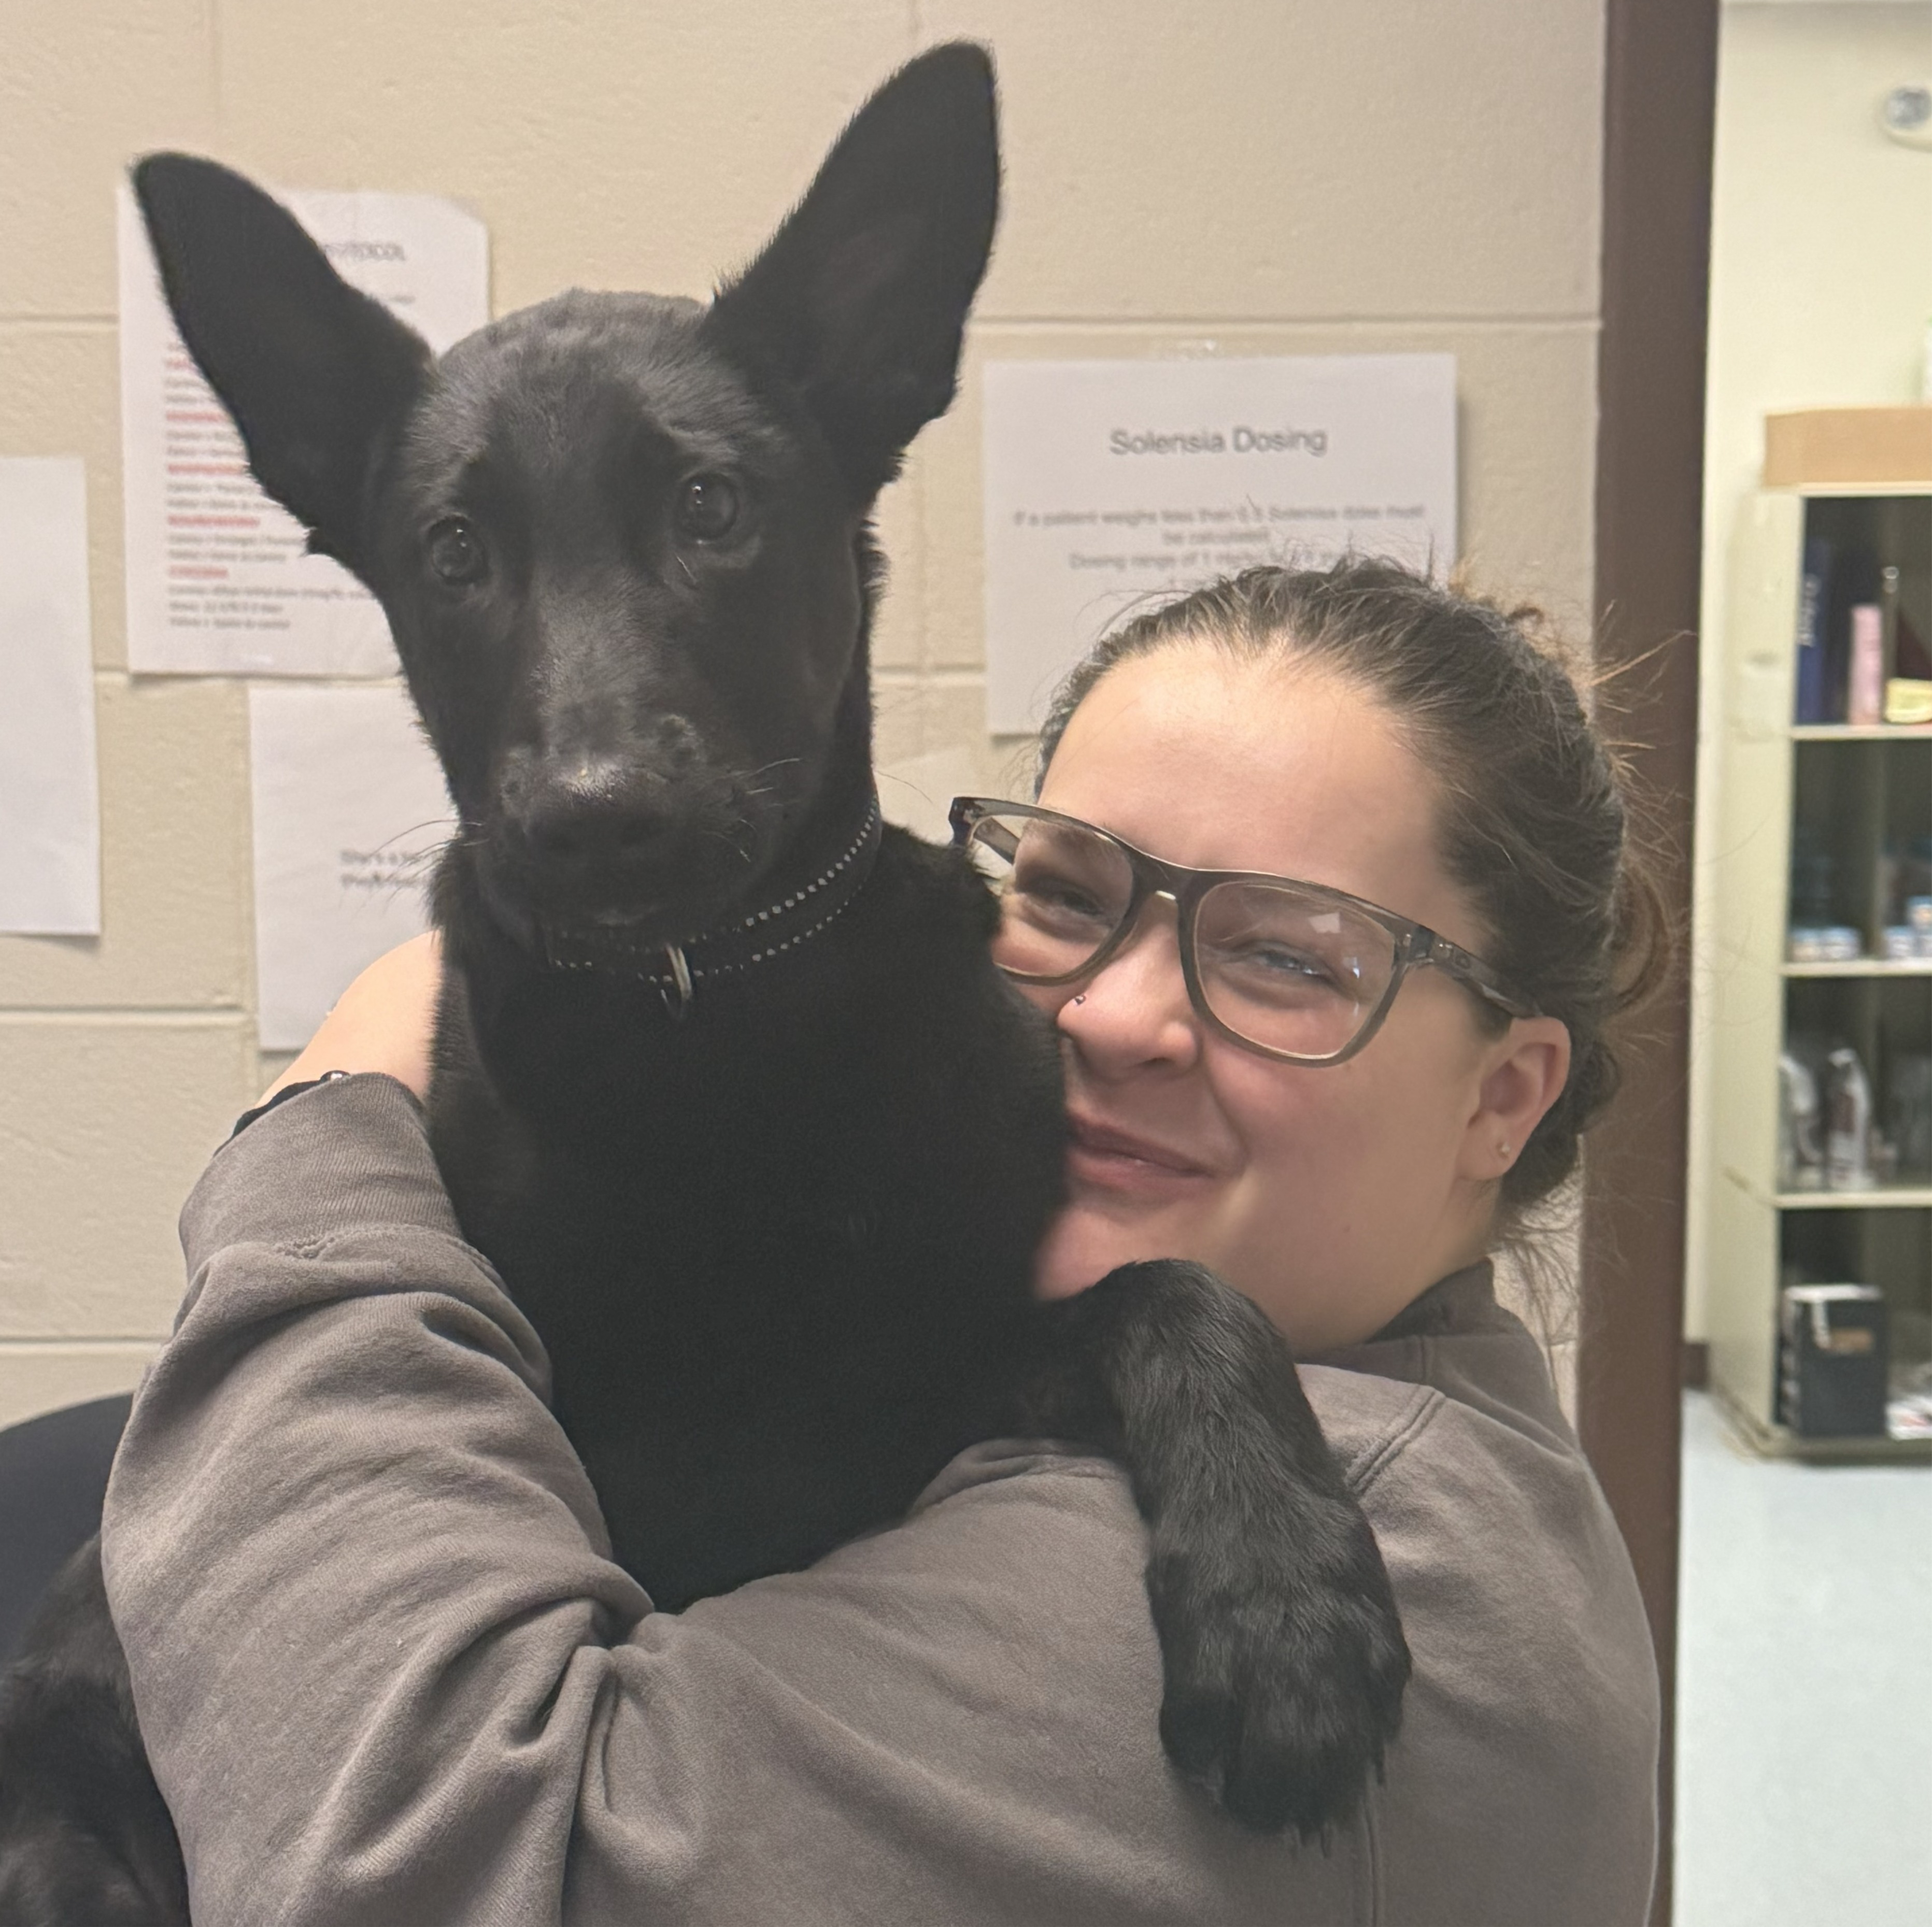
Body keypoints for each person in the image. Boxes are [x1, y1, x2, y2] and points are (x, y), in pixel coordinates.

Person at [100, 559, 1662, 1926]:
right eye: (1064, 893)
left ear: (1502, 1100)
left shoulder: (1384, 1551)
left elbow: (429, 1867)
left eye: (1280, 958)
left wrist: (340, 1109)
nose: (1117, 1014)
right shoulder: (1116, 1323)